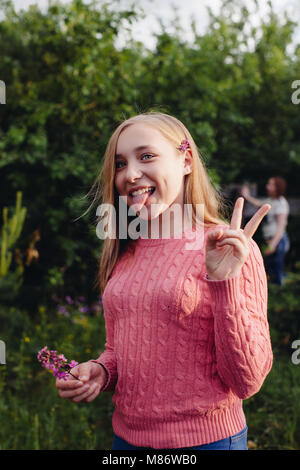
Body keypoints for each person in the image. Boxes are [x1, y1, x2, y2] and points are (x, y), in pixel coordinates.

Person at [55, 111, 273, 451]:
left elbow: (247, 381)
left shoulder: (227, 247)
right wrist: (102, 370)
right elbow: (122, 348)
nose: (130, 174)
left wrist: (225, 282)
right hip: (126, 441)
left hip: (206, 443)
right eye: (121, 164)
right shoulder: (125, 250)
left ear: (185, 160)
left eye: (146, 156)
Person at [241, 177, 290, 286]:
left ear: (278, 187)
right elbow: (259, 203)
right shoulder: (270, 200)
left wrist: (273, 244)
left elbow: (281, 227)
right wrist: (247, 196)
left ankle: (279, 292)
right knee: (271, 267)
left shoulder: (281, 203)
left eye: (271, 184)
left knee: (276, 269)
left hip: (278, 240)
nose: (267, 186)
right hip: (271, 240)